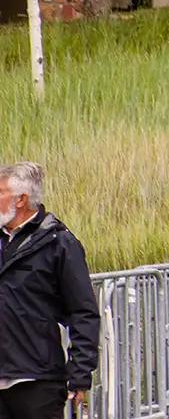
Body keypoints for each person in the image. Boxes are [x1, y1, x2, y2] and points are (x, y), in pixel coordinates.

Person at [0, 162, 99, 419]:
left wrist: (80, 373)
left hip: (38, 381)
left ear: (20, 199)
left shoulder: (58, 243)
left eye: (0, 192)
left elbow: (83, 311)